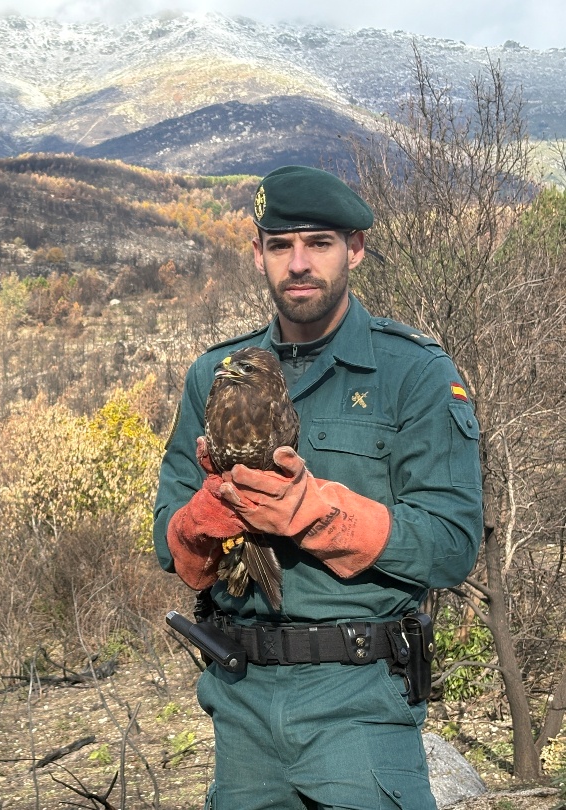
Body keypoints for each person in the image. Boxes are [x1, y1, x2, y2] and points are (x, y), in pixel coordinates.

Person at [154, 165, 482, 809]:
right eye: (281, 245)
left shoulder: (412, 372)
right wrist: (200, 520)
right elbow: (171, 544)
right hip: (242, 702)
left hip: (359, 701)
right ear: (258, 254)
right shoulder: (213, 376)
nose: (298, 262)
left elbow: (452, 544)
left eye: (319, 243)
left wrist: (319, 513)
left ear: (354, 249)